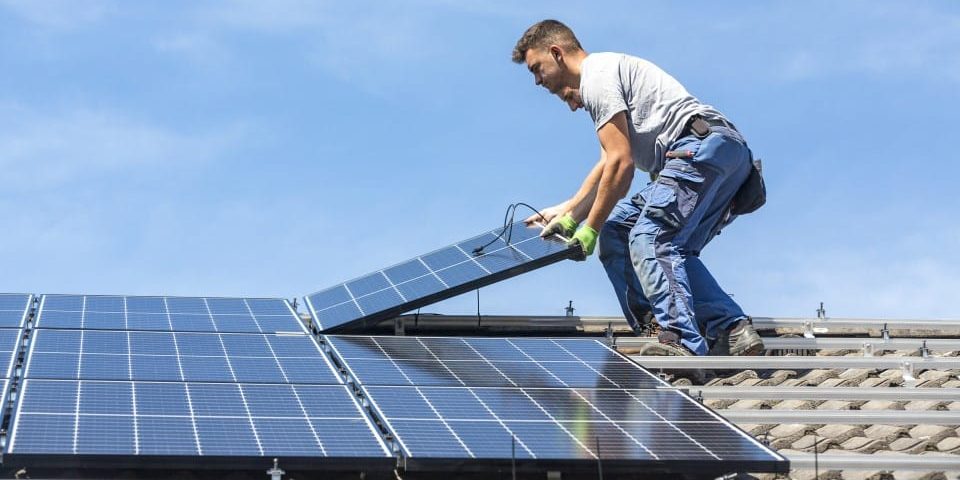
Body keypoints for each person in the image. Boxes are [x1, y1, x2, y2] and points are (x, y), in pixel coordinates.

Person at [513, 19, 763, 357]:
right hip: (722, 154)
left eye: (536, 69)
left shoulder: (596, 77)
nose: (537, 80)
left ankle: (677, 341)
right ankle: (731, 329)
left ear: (556, 53)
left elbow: (622, 166)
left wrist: (588, 230)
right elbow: (607, 164)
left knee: (649, 237)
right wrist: (569, 210)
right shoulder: (607, 74)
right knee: (622, 232)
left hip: (695, 151)